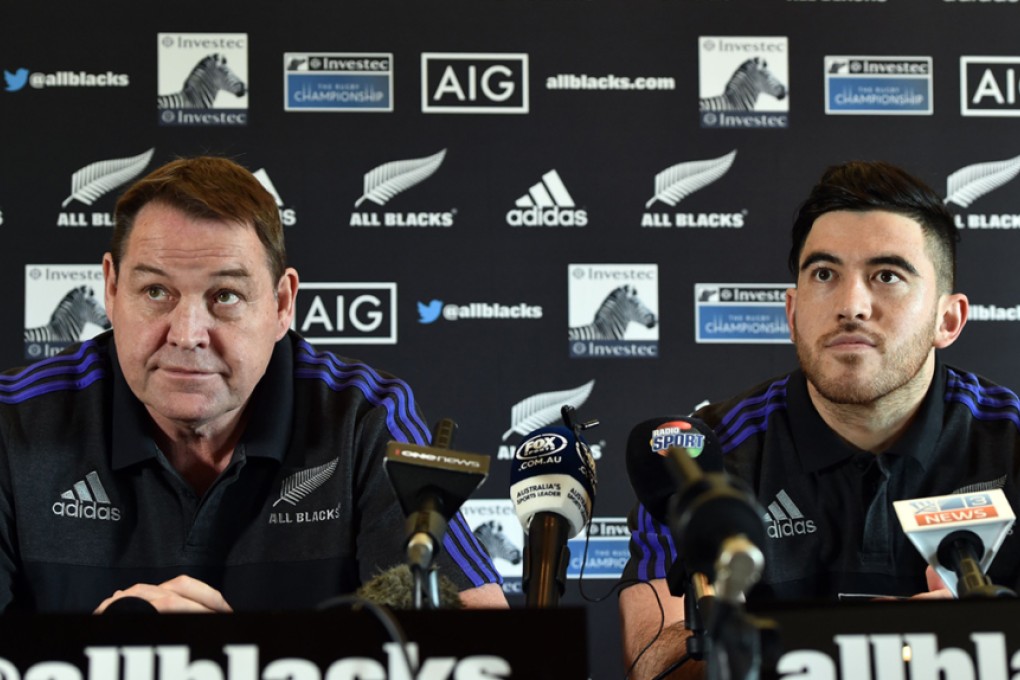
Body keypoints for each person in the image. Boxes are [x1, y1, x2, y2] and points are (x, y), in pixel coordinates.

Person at [0, 156, 506, 613]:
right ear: (110, 290)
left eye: (225, 295)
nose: (187, 334)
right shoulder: (13, 424)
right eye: (155, 291)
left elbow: (483, 653)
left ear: (283, 304)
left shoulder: (362, 418)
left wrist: (242, 662)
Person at [619, 160, 1020, 678]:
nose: (852, 304)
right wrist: (878, 649)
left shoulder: (1010, 441)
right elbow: (656, 660)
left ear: (948, 319)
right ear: (791, 313)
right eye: (825, 274)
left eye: (887, 276)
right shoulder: (702, 456)